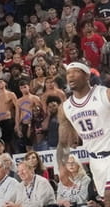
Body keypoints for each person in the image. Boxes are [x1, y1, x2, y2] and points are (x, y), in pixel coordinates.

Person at [58, 61, 110, 203]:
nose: (71, 75)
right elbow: (63, 141)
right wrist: (62, 166)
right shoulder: (65, 108)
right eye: (68, 73)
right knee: (104, 200)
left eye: (76, 71)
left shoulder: (104, 94)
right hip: (95, 160)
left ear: (87, 75)